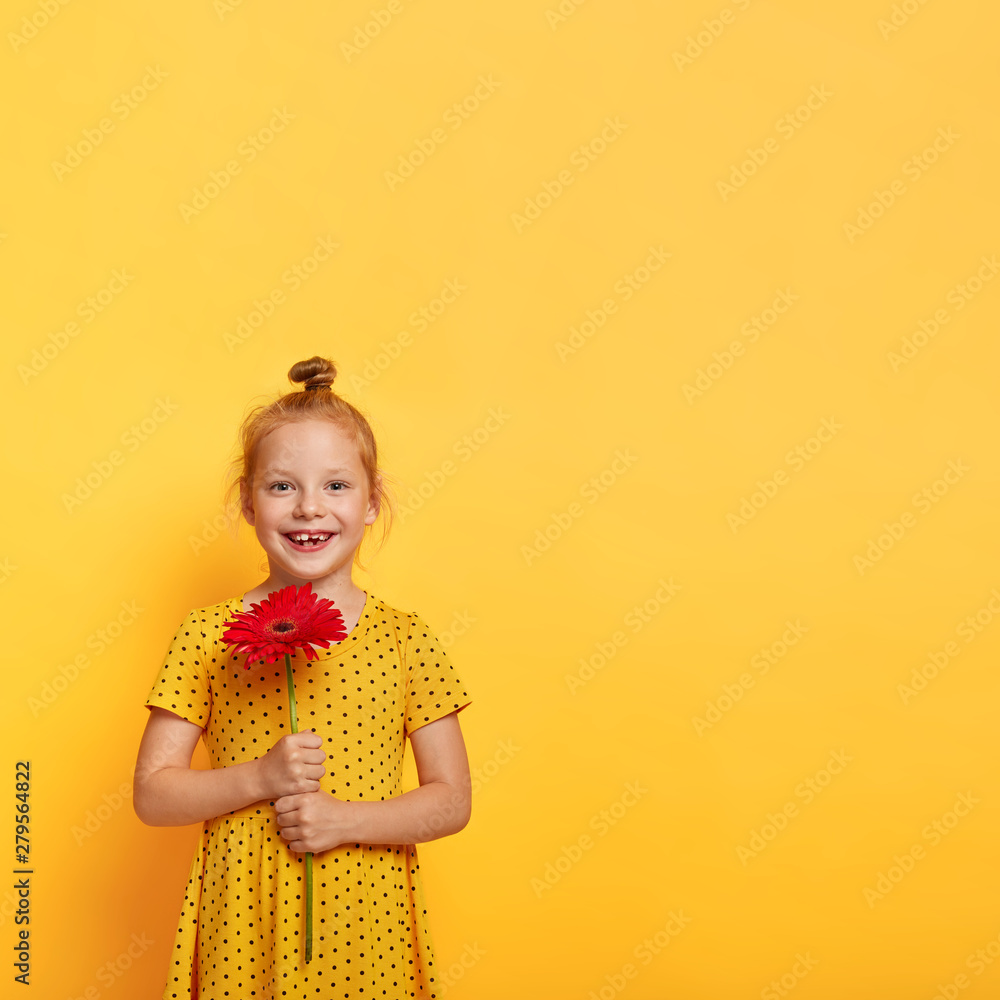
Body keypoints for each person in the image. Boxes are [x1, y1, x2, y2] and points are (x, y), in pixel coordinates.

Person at [133, 355, 473, 999]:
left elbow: (452, 800)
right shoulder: (207, 635)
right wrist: (259, 778)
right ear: (247, 502)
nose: (309, 508)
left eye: (337, 487)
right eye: (282, 486)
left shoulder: (407, 640)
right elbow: (153, 796)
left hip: (366, 926)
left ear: (373, 503)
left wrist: (344, 820)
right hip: (244, 922)